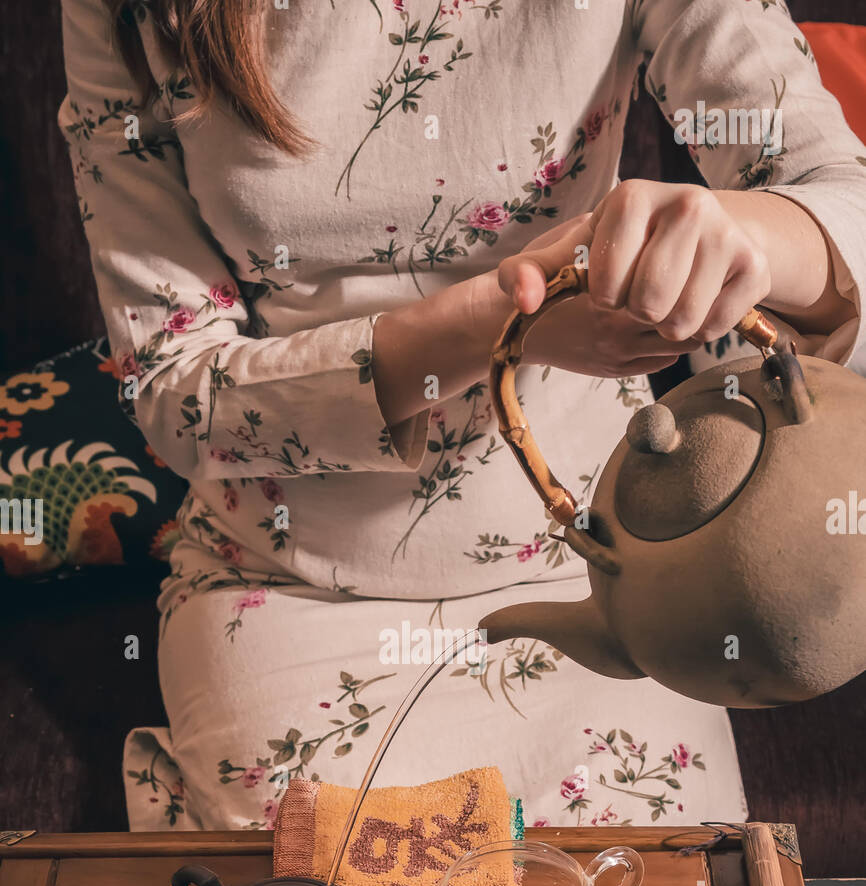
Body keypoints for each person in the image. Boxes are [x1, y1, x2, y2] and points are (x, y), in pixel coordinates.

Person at [59, 0, 866, 833]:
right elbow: (173, 392)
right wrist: (502, 325)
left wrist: (740, 235)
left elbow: (843, 203)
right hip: (287, 579)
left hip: (611, 569)